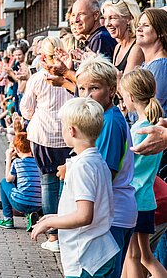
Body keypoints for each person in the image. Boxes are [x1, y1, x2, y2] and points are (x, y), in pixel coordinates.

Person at [32, 97, 119, 278]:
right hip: (99, 250)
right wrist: (55, 216)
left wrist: (50, 222)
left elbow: (84, 216)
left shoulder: (82, 166)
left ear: (71, 130)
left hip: (86, 256)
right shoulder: (96, 161)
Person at [74, 55, 137, 278]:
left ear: (112, 90)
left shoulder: (109, 122)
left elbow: (103, 175)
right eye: (81, 88)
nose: (87, 95)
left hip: (113, 214)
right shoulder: (102, 117)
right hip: (112, 211)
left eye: (94, 88)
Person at [20, 36, 74, 253]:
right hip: (69, 136)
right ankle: (69, 230)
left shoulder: (37, 79)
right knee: (68, 185)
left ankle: (53, 236)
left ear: (43, 55)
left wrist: (33, 115)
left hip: (43, 136)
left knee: (48, 184)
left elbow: (26, 109)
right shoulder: (71, 75)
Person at [119, 68, 167, 278]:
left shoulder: (139, 129)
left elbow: (125, 164)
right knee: (145, 256)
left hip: (133, 199)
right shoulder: (156, 127)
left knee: (133, 255)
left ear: (130, 96)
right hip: (147, 199)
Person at [0, 132, 41, 231]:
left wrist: (9, 158)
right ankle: (30, 216)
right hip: (38, 204)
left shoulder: (17, 162)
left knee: (4, 183)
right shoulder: (39, 162)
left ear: (16, 149)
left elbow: (8, 179)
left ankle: (7, 219)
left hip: (20, 203)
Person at [101, 0, 144, 74]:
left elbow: (126, 84)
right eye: (105, 18)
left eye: (113, 18)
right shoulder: (118, 47)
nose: (107, 24)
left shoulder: (136, 48)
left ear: (129, 18)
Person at [136, 8, 167, 116]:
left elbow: (152, 109)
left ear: (161, 32)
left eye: (146, 25)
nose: (139, 29)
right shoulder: (146, 65)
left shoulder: (160, 66)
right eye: (139, 25)